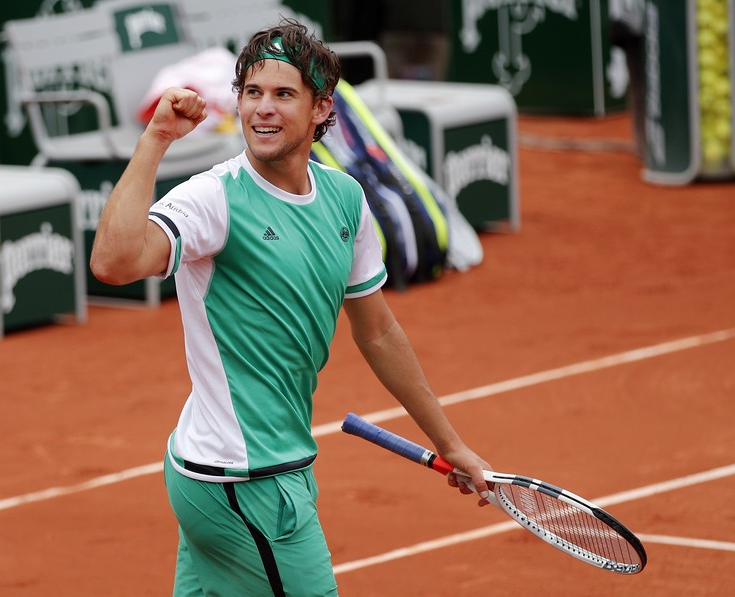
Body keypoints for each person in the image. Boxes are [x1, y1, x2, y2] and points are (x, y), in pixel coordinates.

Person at [90, 18, 491, 597]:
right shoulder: (214, 198)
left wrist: (448, 442)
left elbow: (377, 332)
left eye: (283, 94)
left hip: (264, 472)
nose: (263, 110)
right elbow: (114, 262)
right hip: (241, 481)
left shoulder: (345, 199)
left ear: (322, 108)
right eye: (252, 93)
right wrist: (155, 139)